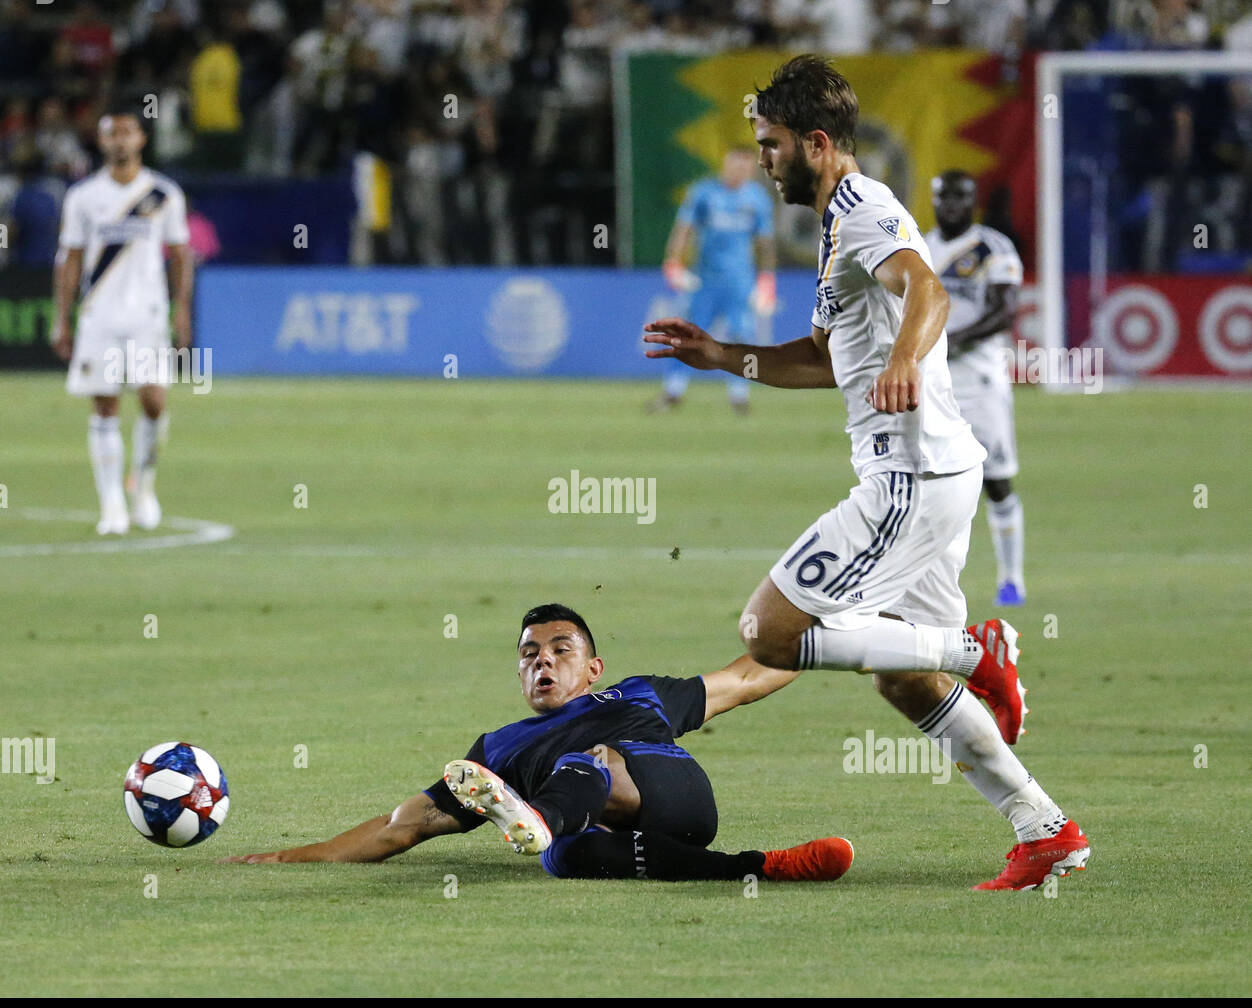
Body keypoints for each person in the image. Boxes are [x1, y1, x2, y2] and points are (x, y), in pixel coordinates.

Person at [643, 56, 1089, 890]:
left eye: (771, 145)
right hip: (935, 473)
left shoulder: (862, 207)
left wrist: (904, 360)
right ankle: (1044, 829)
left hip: (908, 478)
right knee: (902, 677)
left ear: (815, 143)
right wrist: (721, 355)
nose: (764, 159)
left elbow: (928, 291)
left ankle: (976, 648)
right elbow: (819, 360)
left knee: (769, 630)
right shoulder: (836, 224)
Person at [224, 603, 854, 885]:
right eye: (529, 655)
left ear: (594, 668)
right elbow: (400, 827)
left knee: (591, 763)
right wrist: (287, 859)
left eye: (561, 651)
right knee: (566, 861)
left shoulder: (638, 696)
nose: (543, 664)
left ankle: (539, 819)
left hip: (676, 792)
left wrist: (843, 638)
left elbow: (746, 678)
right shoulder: (498, 749)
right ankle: (767, 866)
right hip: (623, 841)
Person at [51, 106, 193, 535]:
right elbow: (70, 258)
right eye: (111, 134)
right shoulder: (83, 198)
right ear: (101, 142)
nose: (120, 141)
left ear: (141, 140)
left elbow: (181, 254)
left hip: (147, 315)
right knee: (105, 403)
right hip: (100, 316)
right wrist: (63, 318)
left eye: (127, 132)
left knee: (153, 400)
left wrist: (181, 307)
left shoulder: (164, 195)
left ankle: (143, 486)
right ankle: (111, 503)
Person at [925, 170, 1026, 607]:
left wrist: (954, 341)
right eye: (943, 197)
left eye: (960, 198)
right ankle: (930, 586)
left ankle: (1011, 579)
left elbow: (1005, 312)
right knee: (929, 481)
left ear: (973, 201)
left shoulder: (993, 248)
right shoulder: (918, 246)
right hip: (932, 382)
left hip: (981, 381)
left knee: (996, 481)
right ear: (933, 201)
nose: (951, 205)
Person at [651, 147, 776, 416]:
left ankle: (739, 397)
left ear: (751, 170)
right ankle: (673, 392)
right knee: (687, 336)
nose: (738, 171)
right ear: (724, 165)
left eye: (744, 167)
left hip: (739, 282)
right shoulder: (703, 193)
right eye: (734, 165)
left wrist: (767, 280)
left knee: (741, 339)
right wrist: (673, 262)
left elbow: (765, 243)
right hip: (704, 280)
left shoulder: (757, 199)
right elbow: (684, 228)